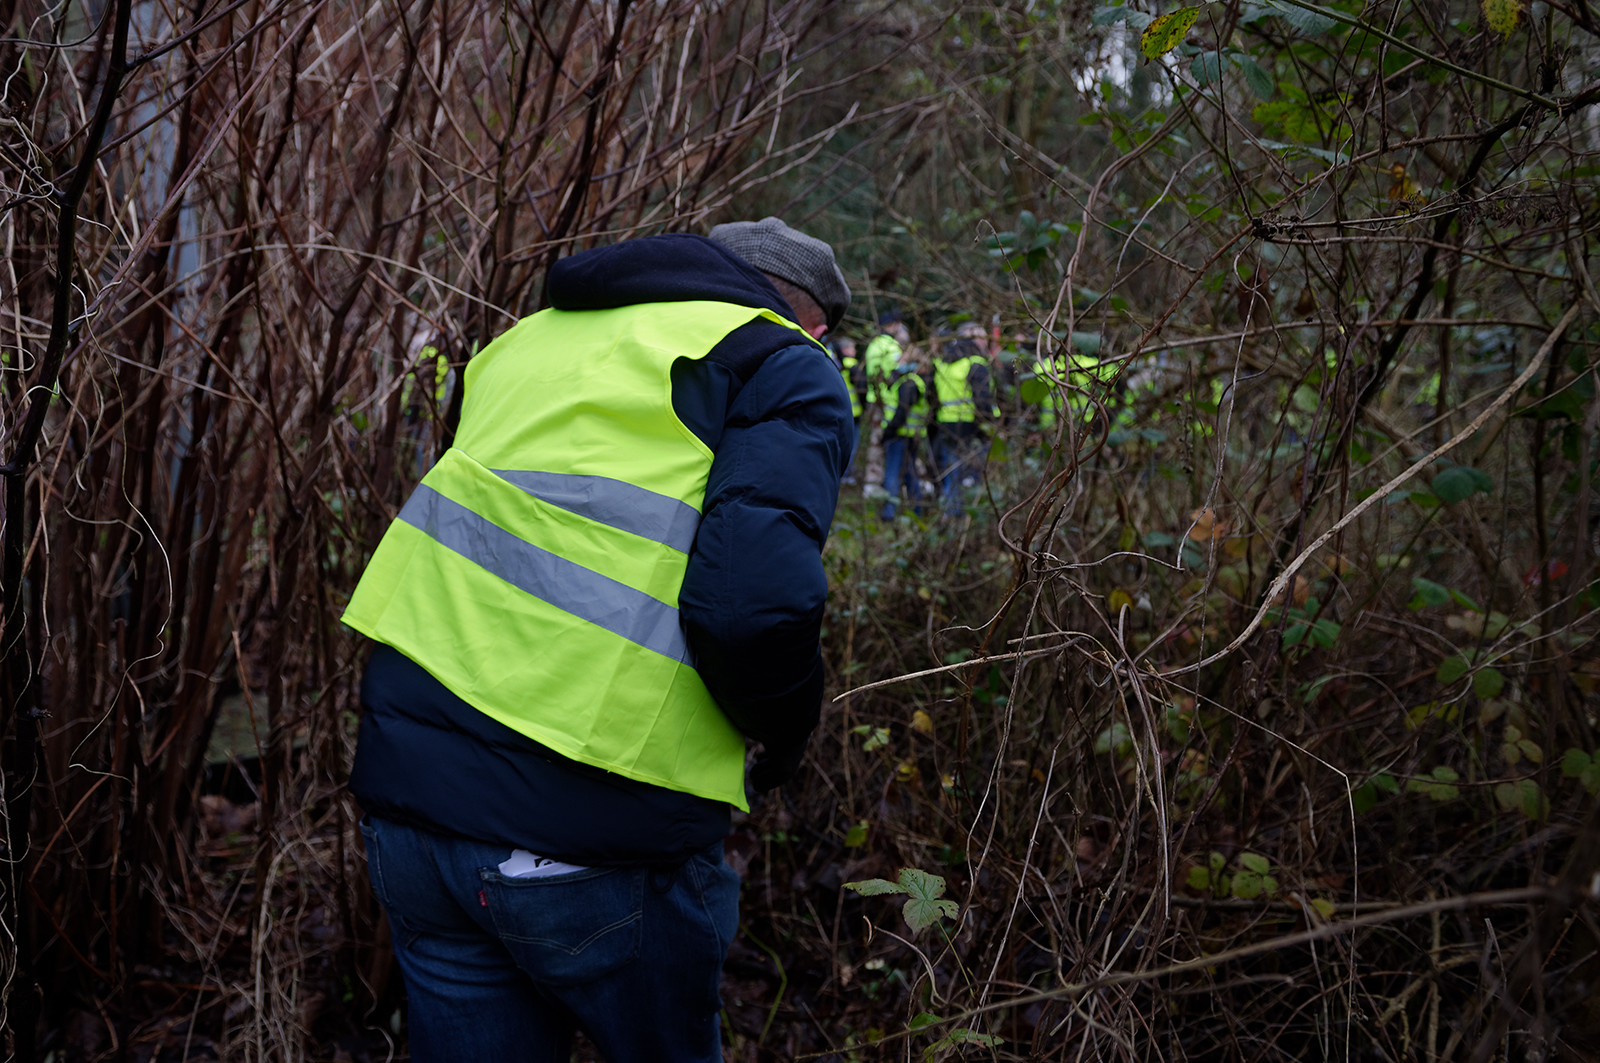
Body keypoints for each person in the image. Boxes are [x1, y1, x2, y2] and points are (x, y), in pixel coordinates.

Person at [341, 217, 854, 1063]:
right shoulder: (778, 362)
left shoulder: (529, 341)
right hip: (591, 835)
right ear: (815, 325)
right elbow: (752, 608)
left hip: (413, 810)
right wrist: (790, 727)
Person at [931, 321, 998, 516]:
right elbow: (983, 400)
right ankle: (973, 519)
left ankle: (950, 515)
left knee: (952, 473)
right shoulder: (975, 363)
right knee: (975, 475)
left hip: (946, 425)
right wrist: (989, 425)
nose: (986, 341)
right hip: (972, 427)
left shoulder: (944, 362)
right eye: (982, 337)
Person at [878, 345, 929, 521]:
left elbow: (901, 413)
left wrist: (888, 432)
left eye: (903, 358)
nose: (898, 360)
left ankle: (888, 513)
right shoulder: (914, 381)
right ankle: (917, 511)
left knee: (892, 473)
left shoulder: (909, 384)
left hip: (900, 435)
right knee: (909, 472)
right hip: (911, 435)